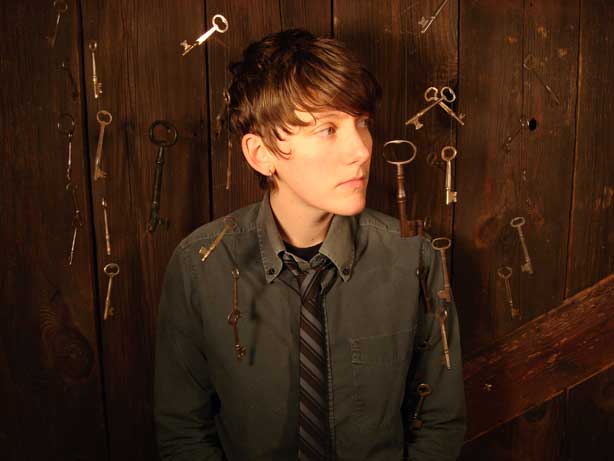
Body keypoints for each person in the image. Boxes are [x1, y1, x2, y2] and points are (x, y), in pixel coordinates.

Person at [155, 28, 466, 461]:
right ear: (260, 154)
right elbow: (182, 431)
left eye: (362, 123)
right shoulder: (199, 265)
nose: (361, 150)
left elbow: (441, 421)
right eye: (328, 129)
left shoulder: (414, 256)